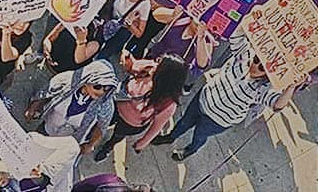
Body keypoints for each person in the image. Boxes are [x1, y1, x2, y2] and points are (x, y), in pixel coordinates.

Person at [151, 35, 303, 160]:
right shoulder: (245, 55)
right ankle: (171, 136)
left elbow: (277, 105)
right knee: (184, 122)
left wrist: (291, 87)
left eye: (262, 67)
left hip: (218, 121)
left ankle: (189, 150)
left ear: (268, 74)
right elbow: (236, 35)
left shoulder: (263, 88)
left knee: (199, 136)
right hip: (203, 99)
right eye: (257, 59)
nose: (255, 65)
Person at [93, 53, 188, 161]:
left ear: (166, 75)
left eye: (159, 65)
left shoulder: (168, 103)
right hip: (115, 105)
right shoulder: (150, 67)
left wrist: (142, 143)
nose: (154, 65)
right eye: (157, 61)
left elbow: (156, 127)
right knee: (99, 123)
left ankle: (108, 147)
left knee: (117, 136)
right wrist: (128, 58)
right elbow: (133, 66)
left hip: (130, 125)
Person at [25, 60, 118, 155]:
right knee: (30, 151)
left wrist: (90, 144)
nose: (101, 92)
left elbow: (101, 128)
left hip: (65, 144)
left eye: (106, 89)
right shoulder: (66, 81)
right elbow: (46, 92)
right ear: (87, 79)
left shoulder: (106, 105)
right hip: (47, 128)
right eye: (97, 86)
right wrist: (33, 108)